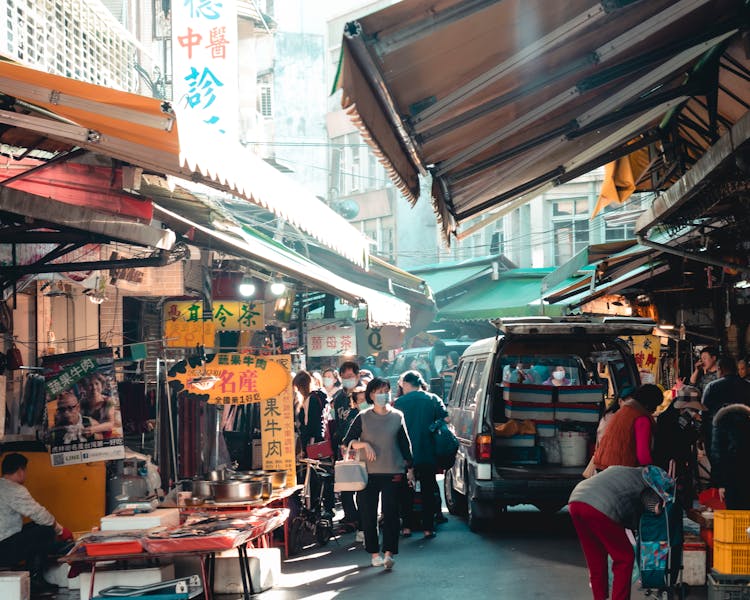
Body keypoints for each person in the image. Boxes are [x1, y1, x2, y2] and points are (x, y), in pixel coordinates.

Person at [569, 465, 674, 600]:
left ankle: (599, 597)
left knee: (596, 558)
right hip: (600, 507)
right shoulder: (646, 482)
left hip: (576, 500)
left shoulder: (625, 472)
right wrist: (660, 507)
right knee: (624, 558)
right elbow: (652, 504)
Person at [342, 377, 413, 570]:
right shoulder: (363, 417)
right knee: (368, 514)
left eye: (386, 391)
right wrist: (364, 444)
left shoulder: (397, 416)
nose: (384, 395)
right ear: (371, 395)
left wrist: (410, 470)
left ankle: (389, 553)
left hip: (393, 471)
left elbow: (405, 445)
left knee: (391, 513)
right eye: (379, 392)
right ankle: (374, 553)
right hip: (367, 473)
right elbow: (347, 441)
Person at [0, 453, 72, 592]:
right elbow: (40, 515)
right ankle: (35, 580)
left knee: (36, 528)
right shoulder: (13, 489)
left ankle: (38, 572)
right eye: (25, 471)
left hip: (4, 543)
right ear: (21, 470)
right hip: (4, 550)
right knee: (44, 529)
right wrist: (61, 530)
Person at [394, 370, 448, 538]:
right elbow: (446, 418)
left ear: (406, 384)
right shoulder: (432, 399)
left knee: (405, 491)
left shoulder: (399, 402)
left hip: (405, 455)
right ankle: (428, 528)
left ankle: (407, 527)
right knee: (428, 490)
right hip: (427, 452)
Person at [652, 385, 705, 507]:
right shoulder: (669, 418)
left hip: (679, 465)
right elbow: (681, 440)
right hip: (670, 467)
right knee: (672, 502)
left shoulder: (679, 417)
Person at [292, 370, 334, 518]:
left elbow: (308, 425)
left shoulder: (310, 399)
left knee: (314, 478)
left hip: (313, 443)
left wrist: (303, 448)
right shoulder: (321, 395)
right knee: (325, 475)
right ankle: (328, 508)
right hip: (323, 442)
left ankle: (315, 508)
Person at [593, 384, 663, 470]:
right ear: (649, 404)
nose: (655, 409)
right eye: (655, 405)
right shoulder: (641, 418)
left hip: (603, 464)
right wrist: (652, 469)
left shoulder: (623, 411)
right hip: (620, 469)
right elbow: (643, 455)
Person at [701, 355, 750, 454]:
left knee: (719, 466)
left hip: (718, 436)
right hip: (743, 435)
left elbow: (705, 414)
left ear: (720, 369)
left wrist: (703, 435)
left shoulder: (712, 387)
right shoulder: (747, 386)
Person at [332, 361, 361, 528]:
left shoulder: (364, 394)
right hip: (345, 447)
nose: (347, 380)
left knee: (362, 484)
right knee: (346, 484)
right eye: (344, 377)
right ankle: (351, 516)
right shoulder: (339, 398)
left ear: (357, 375)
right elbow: (337, 422)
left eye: (350, 377)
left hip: (362, 445)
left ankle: (362, 518)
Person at [710, 403, 750, 509]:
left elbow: (717, 456)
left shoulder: (720, 425)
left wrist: (720, 484)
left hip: (729, 479)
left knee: (733, 509)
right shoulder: (746, 423)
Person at [80, 372, 117, 438]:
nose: (94, 387)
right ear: (85, 387)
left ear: (102, 385)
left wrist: (93, 429)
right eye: (90, 385)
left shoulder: (108, 402)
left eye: (97, 383)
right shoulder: (82, 402)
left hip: (104, 436)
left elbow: (110, 424)